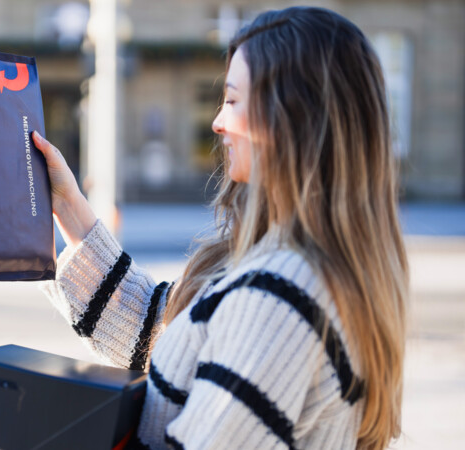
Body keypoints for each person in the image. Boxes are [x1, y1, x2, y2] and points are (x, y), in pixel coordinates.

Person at [34, 7, 407, 450]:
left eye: (232, 100)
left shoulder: (281, 294)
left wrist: (29, 432)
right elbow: (171, 336)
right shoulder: (299, 266)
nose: (217, 122)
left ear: (289, 117)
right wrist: (71, 210)